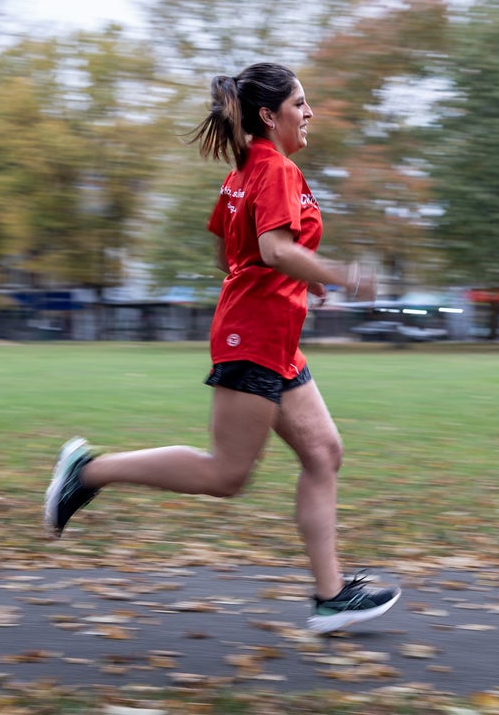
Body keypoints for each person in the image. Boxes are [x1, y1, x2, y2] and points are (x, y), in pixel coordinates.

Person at [44, 62, 400, 633]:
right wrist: (338, 274)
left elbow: (234, 256)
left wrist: (299, 280)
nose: (309, 113)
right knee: (226, 474)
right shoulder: (274, 170)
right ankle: (89, 471)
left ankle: (331, 595)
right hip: (254, 337)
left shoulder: (247, 172)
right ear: (269, 115)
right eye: (300, 104)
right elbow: (273, 248)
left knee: (323, 453)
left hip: (273, 336)